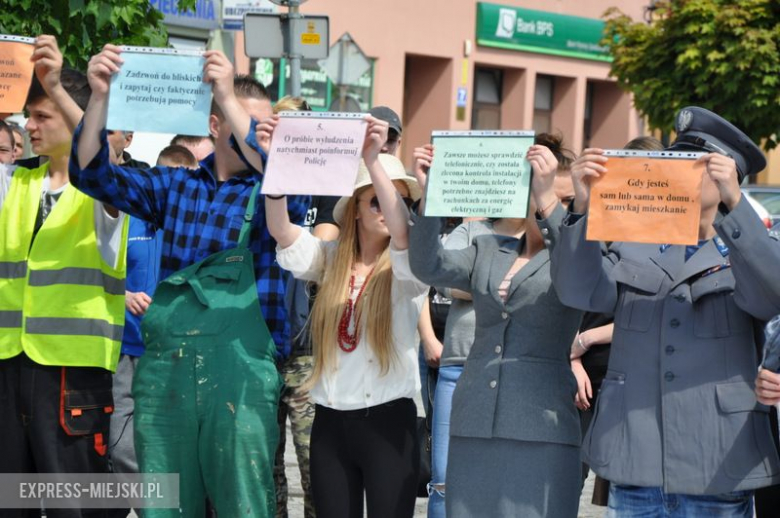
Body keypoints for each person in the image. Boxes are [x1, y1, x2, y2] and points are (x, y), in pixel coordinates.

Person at [70, 44, 309, 517]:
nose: (261, 135)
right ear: (215, 125)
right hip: (168, 378)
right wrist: (99, 98)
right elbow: (90, 174)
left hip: (240, 378)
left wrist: (227, 93)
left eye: (265, 128)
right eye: (245, 120)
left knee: (243, 503)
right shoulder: (174, 185)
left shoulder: (273, 194)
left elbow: (288, 181)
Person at [552, 106, 780, 516]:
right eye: (676, 160)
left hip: (718, 459)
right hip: (637, 456)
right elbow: (579, 291)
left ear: (727, 176)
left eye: (697, 165)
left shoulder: (751, 247)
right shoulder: (632, 239)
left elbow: (772, 295)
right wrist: (583, 211)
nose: (681, 174)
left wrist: (737, 206)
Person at [261, 114, 427, 518]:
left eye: (400, 200)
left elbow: (403, 234)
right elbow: (282, 231)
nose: (391, 209)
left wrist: (374, 162)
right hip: (332, 421)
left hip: (389, 420)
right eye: (377, 200)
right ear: (354, 209)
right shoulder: (330, 260)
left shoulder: (410, 266)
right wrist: (276, 167)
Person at [409, 141, 583, 517]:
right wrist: (429, 198)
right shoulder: (489, 247)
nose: (555, 205)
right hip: (475, 420)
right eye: (546, 192)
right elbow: (427, 266)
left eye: (567, 199)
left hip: (540, 427)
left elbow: (581, 279)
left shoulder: (576, 260)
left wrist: (552, 203)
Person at [0, 36, 128, 517]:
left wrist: (58, 85)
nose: (28, 127)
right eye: (27, 117)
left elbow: (100, 165)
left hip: (73, 375)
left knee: (75, 506)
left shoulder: (103, 191)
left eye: (41, 116)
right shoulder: (16, 181)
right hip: (10, 366)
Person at [569, 135, 663, 506]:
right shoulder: (601, 224)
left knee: (623, 488)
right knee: (567, 478)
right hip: (581, 373)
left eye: (649, 175)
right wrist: (571, 356)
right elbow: (567, 294)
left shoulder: (666, 236)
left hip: (626, 370)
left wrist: (588, 339)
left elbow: (651, 312)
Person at [272, 96, 340, 518]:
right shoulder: (259, 184)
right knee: (265, 468)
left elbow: (324, 252)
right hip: (259, 343)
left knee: (317, 469)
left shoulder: (326, 185)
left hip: (308, 351)